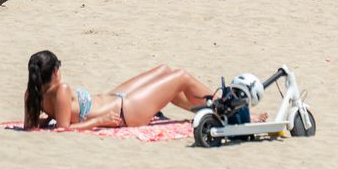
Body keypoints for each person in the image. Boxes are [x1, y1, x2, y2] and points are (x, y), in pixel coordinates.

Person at [23, 50, 213, 130]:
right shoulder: (61, 90)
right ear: (55, 71)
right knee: (181, 77)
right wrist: (99, 121)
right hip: (125, 111)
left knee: (164, 70)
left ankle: (205, 110)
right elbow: (63, 129)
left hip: (117, 99)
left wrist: (48, 117)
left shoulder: (33, 94)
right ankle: (223, 104)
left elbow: (31, 125)